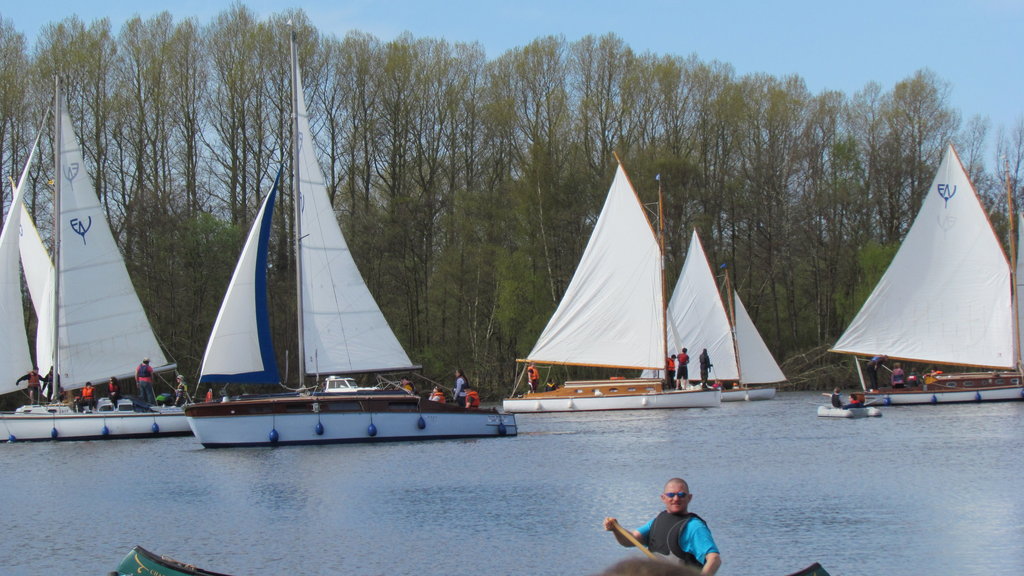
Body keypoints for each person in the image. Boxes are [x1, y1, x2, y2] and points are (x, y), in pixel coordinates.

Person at [603, 478, 721, 575]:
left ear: (689, 498)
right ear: (663, 498)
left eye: (681, 495)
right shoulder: (657, 522)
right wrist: (616, 529)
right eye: (671, 495)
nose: (676, 499)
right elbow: (630, 540)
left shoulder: (694, 527)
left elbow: (714, 559)